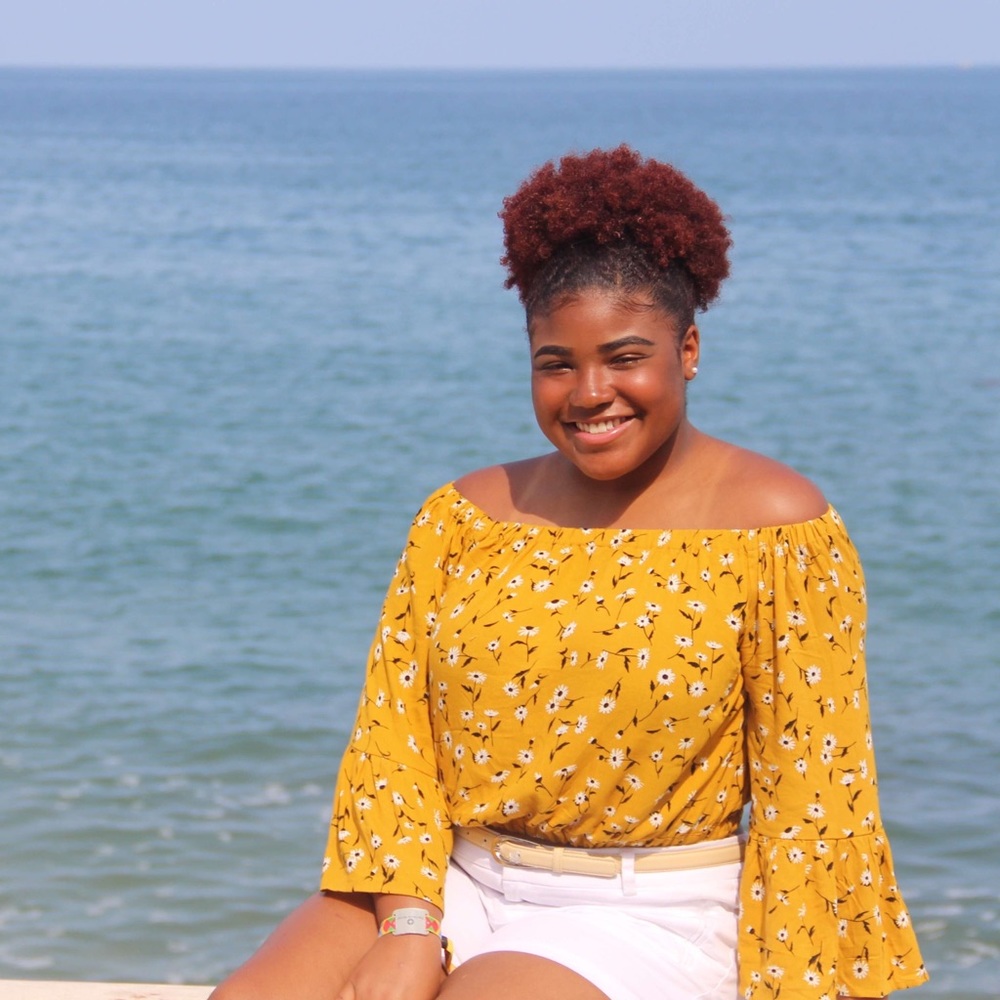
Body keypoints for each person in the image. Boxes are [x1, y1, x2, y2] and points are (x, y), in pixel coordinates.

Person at [211, 145, 927, 1000]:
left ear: (687, 348)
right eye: (557, 363)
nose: (590, 393)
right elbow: (393, 745)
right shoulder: (464, 518)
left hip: (652, 910)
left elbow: (816, 796)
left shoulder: (776, 526)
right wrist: (410, 925)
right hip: (451, 885)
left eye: (625, 357)